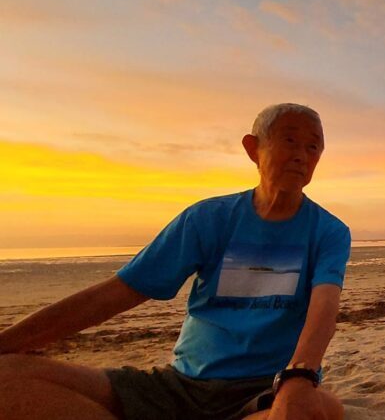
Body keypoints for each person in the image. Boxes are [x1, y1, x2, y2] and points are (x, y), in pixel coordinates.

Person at [0, 103, 350, 420]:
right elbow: (116, 294)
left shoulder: (328, 231)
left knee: (321, 411)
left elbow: (325, 307)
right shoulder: (208, 219)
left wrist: (299, 376)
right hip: (179, 387)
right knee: (7, 375)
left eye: (313, 146)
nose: (302, 155)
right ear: (253, 147)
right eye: (290, 140)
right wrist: (10, 342)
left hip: (266, 389)